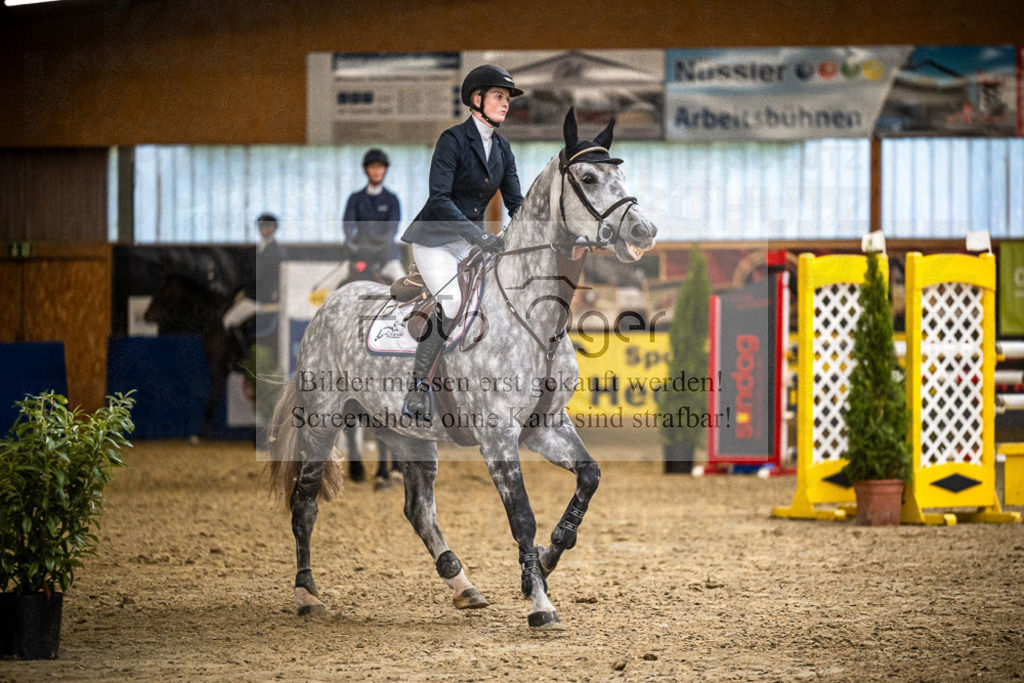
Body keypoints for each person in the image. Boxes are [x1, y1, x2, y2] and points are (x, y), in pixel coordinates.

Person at [399, 64, 525, 423]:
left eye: (507, 99)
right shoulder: (452, 140)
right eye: (499, 97)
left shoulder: (502, 148)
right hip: (435, 241)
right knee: (453, 303)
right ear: (477, 99)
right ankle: (418, 389)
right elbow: (439, 198)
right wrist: (479, 236)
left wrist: (549, 231)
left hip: (470, 243)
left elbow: (517, 203)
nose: (505, 104)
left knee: (494, 301)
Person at [337, 148, 406, 285]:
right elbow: (348, 225)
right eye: (373, 167)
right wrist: (351, 243)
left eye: (380, 167)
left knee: (403, 283)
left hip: (386, 255)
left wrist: (380, 245)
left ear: (385, 170)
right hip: (359, 253)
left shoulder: (392, 199)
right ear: (366, 170)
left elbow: (392, 228)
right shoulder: (355, 198)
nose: (377, 171)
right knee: (334, 284)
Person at [223, 213, 283, 351]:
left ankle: (241, 355)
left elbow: (268, 276)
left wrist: (252, 292)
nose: (262, 229)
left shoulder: (274, 251)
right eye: (260, 226)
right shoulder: (260, 248)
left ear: (273, 228)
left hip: (259, 297)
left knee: (228, 321)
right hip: (253, 293)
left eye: (265, 226)